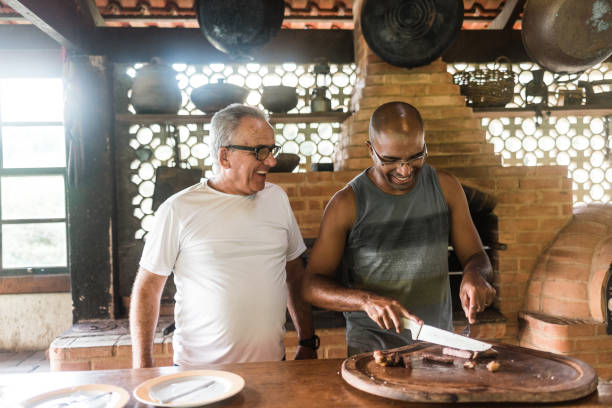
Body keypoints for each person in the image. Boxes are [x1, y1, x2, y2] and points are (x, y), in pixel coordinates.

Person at [130, 103, 317, 368]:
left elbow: (295, 273)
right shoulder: (178, 209)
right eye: (260, 152)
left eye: (272, 150)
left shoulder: (277, 199)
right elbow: (148, 288)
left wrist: (307, 341)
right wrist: (142, 367)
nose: (272, 161)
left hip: (273, 368)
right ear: (224, 157)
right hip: (198, 373)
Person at [302, 101, 496, 356]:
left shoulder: (447, 188)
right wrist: (366, 301)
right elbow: (310, 286)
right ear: (371, 150)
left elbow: (476, 257)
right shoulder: (346, 203)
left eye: (415, 157)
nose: (405, 170)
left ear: (424, 146)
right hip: (372, 352)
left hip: (437, 346)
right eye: (391, 160)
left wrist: (474, 275)